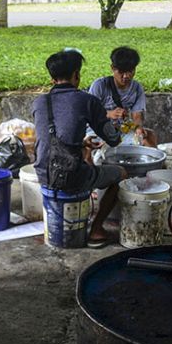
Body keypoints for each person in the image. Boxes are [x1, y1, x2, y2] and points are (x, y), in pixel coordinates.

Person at [31, 49, 126, 248]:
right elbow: (114, 139)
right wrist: (116, 127)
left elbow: (51, 135)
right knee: (121, 174)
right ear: (76, 74)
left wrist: (81, 143)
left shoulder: (39, 102)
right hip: (70, 176)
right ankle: (97, 228)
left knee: (83, 158)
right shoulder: (87, 100)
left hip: (42, 172)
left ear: (52, 77)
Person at [88, 46, 158, 147]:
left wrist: (138, 128)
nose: (126, 76)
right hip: (98, 132)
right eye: (121, 72)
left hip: (121, 131)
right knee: (88, 150)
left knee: (149, 136)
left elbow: (136, 115)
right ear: (112, 68)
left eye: (130, 71)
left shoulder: (137, 88)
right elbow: (90, 114)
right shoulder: (100, 85)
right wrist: (108, 114)